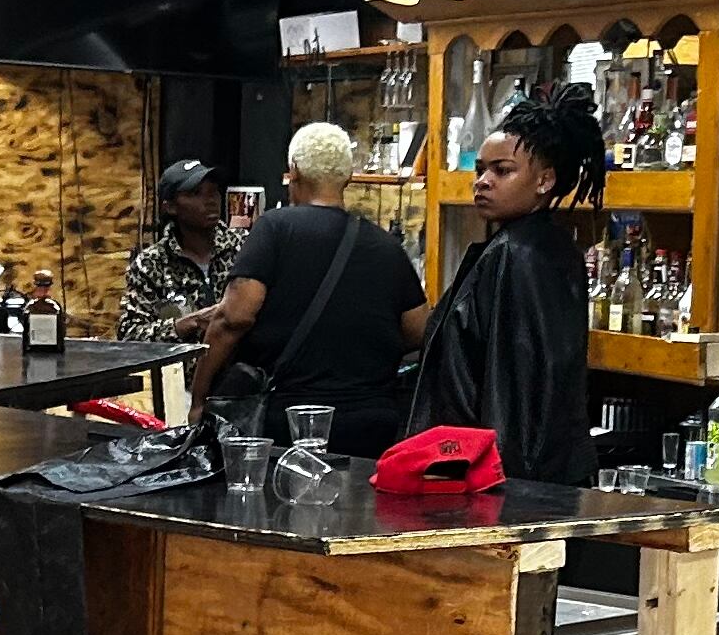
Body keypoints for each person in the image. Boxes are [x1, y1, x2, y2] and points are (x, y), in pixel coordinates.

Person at [407, 84, 603, 486]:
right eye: (480, 169)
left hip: (493, 477)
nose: (482, 181)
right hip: (512, 474)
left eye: (502, 170)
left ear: (545, 180)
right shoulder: (543, 247)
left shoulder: (518, 254)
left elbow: (515, 391)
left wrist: (504, 489)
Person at [191, 119, 424, 451]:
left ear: (294, 172)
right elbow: (418, 330)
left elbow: (234, 318)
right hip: (371, 424)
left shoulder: (275, 229)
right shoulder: (386, 246)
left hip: (290, 423)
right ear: (347, 176)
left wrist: (199, 398)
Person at [118, 159, 233, 343]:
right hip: (184, 361)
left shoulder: (242, 247)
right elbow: (130, 335)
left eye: (213, 191)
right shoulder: (151, 264)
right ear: (170, 206)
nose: (210, 200)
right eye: (196, 193)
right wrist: (189, 323)